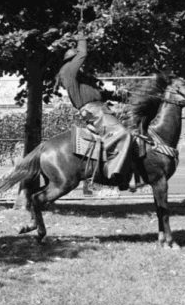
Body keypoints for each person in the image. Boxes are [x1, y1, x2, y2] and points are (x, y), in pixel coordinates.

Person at [56, 33, 136, 191]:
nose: (83, 65)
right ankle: (116, 174)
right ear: (71, 61)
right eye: (79, 62)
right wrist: (81, 35)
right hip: (95, 112)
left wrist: (122, 96)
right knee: (123, 134)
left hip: (101, 109)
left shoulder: (83, 80)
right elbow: (83, 53)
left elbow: (100, 95)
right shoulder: (67, 72)